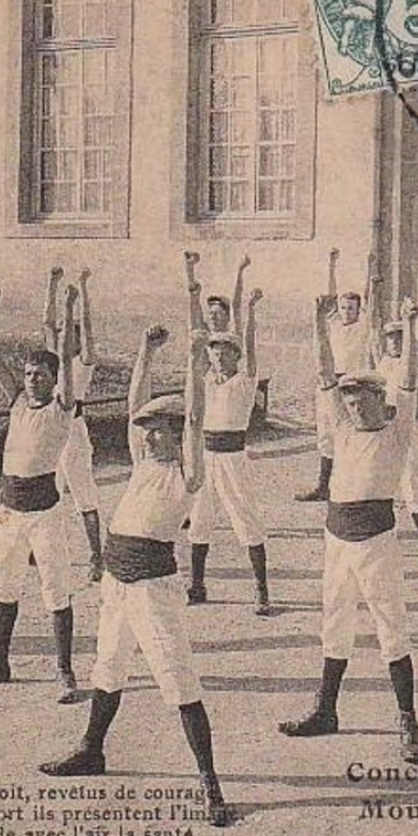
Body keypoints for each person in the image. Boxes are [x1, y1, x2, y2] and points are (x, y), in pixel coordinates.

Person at [38, 322, 233, 828]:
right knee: (108, 666)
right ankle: (91, 750)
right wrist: (145, 352)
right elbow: (132, 405)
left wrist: (191, 363)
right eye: (145, 430)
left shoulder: (187, 474)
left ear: (175, 434)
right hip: (117, 583)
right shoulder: (144, 463)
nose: (145, 435)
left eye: (156, 429)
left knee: (178, 681)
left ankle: (210, 784)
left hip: (152, 588)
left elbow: (194, 421)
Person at [278, 292, 418, 763]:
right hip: (336, 538)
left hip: (375, 540)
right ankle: (326, 710)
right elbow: (325, 374)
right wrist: (320, 327)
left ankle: (409, 722)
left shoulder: (397, 430)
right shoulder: (341, 429)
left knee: (390, 628)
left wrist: (411, 324)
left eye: (361, 397)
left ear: (377, 399)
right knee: (334, 623)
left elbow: (408, 378)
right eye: (348, 398)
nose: (353, 406)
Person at [0, 281, 81, 704]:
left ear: (53, 380)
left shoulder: (62, 409)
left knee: (55, 588)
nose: (32, 381)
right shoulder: (15, 401)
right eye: (29, 374)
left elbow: (66, 356)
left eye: (40, 375)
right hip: (9, 510)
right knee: (4, 585)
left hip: (44, 510)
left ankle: (65, 670)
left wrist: (69, 307)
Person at [185, 250, 277, 615]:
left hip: (233, 458)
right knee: (199, 520)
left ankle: (261, 589)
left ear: (236, 357)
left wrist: (251, 310)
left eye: (226, 353)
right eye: (215, 352)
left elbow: (250, 341)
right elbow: (195, 338)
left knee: (246, 520)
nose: (219, 357)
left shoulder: (244, 382)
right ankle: (197, 584)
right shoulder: (205, 379)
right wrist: (191, 278)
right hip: (206, 457)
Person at [373, 275, 418, 571]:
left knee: (413, 492)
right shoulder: (380, 361)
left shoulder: (412, 366)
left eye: (399, 338)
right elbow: (372, 324)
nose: (394, 342)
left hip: (402, 438)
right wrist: (374, 286)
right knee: (377, 491)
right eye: (391, 338)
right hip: (378, 435)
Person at [296, 249, 374, 503]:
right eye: (343, 308)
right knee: (326, 432)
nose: (346, 312)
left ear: (358, 309)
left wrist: (369, 270)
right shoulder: (333, 324)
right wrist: (331, 264)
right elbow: (327, 299)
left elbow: (370, 299)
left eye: (351, 308)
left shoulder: (363, 326)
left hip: (352, 384)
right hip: (328, 383)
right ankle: (323, 486)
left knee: (353, 431)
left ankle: (356, 484)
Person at [43, 266, 104, 583]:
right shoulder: (54, 359)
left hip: (75, 433)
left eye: (72, 334)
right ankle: (42, 551)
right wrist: (52, 284)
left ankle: (97, 555)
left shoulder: (84, 363)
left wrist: (82, 289)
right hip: (51, 430)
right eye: (64, 334)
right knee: (46, 491)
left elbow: (89, 328)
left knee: (84, 495)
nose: (66, 338)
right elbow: (46, 323)